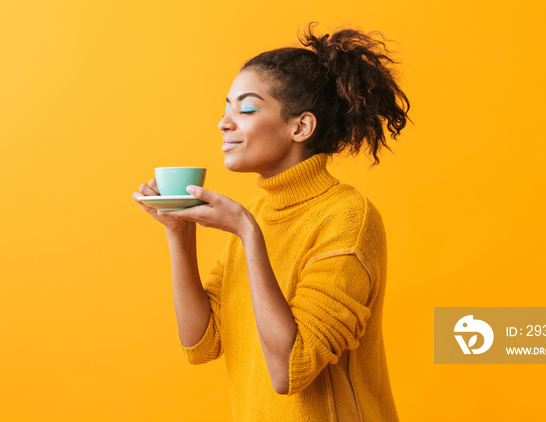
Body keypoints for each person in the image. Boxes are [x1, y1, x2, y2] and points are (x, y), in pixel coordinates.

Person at [132, 21, 411, 421]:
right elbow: (200, 342)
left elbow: (290, 369)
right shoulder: (258, 214)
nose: (224, 122)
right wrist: (179, 232)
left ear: (301, 127)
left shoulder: (348, 218)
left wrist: (248, 233)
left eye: (245, 108)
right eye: (226, 107)